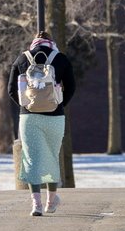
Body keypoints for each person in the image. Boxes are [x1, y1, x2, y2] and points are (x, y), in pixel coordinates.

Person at [7, 31, 76, 216]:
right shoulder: (60, 58)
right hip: (55, 117)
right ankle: (51, 202)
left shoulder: (22, 59)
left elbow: (11, 89)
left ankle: (36, 204)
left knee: (31, 159)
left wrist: (26, 106)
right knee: (51, 156)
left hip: (29, 118)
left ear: (34, 42)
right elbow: (71, 87)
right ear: (50, 42)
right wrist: (58, 105)